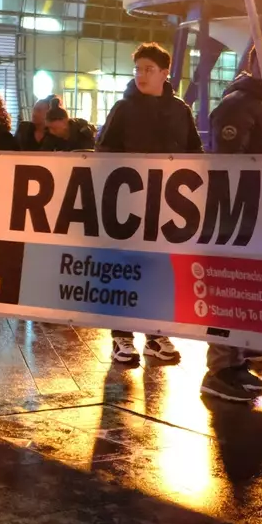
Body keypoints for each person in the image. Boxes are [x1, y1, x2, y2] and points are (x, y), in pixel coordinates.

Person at [96, 42, 202, 366]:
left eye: (149, 69)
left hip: (167, 206)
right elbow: (103, 152)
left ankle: (156, 334)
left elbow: (194, 153)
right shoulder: (123, 109)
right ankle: (122, 336)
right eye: (138, 68)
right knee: (126, 268)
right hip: (129, 204)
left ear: (164, 73)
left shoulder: (180, 110)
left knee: (159, 269)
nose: (142, 75)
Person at [201, 37, 262, 401]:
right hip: (237, 215)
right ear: (252, 64)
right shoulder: (237, 105)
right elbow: (229, 164)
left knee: (244, 291)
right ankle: (220, 368)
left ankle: (236, 361)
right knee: (226, 290)